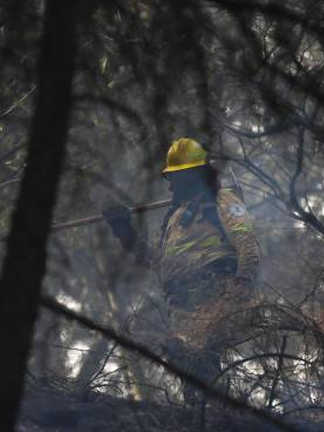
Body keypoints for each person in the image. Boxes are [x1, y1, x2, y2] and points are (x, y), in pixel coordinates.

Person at [103, 138, 260, 403]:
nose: (171, 184)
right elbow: (154, 259)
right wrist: (124, 230)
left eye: (177, 177)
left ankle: (213, 416)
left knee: (201, 359)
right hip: (180, 300)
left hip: (211, 290)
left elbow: (246, 241)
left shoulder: (223, 200)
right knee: (187, 364)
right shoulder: (175, 216)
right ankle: (207, 416)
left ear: (195, 175)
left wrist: (243, 281)